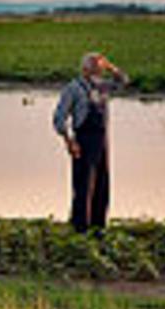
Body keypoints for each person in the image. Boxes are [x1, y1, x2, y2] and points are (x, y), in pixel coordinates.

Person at [52, 52, 130, 234]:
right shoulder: (73, 89)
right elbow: (59, 119)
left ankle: (98, 226)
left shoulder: (103, 86)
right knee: (83, 186)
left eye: (100, 68)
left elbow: (124, 81)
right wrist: (69, 142)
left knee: (102, 184)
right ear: (85, 69)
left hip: (102, 141)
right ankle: (80, 229)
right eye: (95, 68)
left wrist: (111, 66)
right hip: (83, 141)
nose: (99, 72)